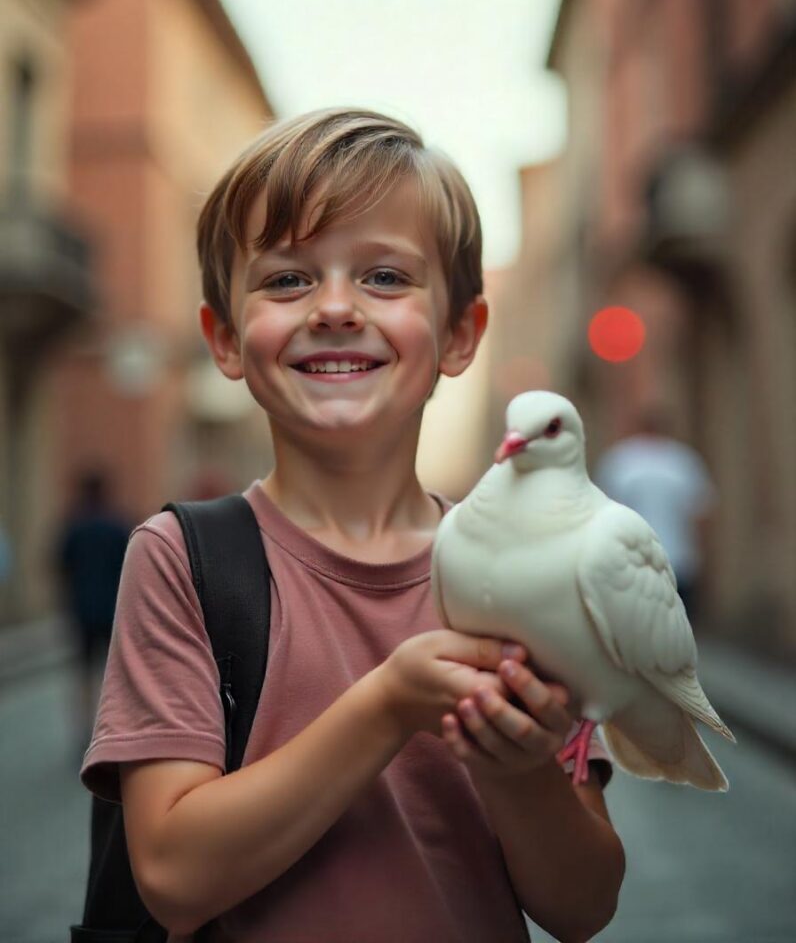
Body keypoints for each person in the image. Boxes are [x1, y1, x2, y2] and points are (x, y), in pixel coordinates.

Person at [81, 108, 625, 942]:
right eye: (289, 280)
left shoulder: (538, 573)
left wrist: (518, 771)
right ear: (225, 339)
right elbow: (173, 877)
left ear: (457, 333)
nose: (335, 307)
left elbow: (583, 909)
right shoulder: (179, 560)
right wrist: (390, 703)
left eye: (384, 277)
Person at [595, 408, 717, 625]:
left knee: (640, 622)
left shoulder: (621, 460)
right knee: (679, 623)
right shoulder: (683, 460)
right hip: (677, 557)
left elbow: (602, 510)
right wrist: (702, 553)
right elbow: (700, 513)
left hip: (635, 559)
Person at [56, 469, 132, 750]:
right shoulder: (119, 525)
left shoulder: (74, 526)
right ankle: (112, 729)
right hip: (114, 611)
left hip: (82, 610)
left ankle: (85, 731)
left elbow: (61, 567)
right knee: (115, 674)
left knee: (84, 672)